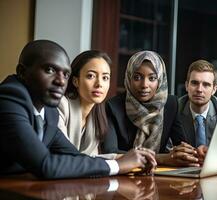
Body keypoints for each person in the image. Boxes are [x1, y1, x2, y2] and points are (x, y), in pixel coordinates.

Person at [0, 40, 156, 179]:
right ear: (22, 72)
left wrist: (129, 161)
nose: (61, 81)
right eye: (49, 70)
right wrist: (118, 165)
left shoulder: (49, 112)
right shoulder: (9, 98)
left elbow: (77, 157)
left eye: (66, 74)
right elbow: (46, 165)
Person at [102, 50, 199, 166]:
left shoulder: (170, 103)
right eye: (137, 77)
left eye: (152, 78)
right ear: (128, 78)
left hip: (160, 175)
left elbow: (181, 144)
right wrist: (161, 158)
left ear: (160, 80)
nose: (144, 85)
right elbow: (110, 152)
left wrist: (195, 153)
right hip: (125, 174)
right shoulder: (113, 106)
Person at [57, 50, 118, 159]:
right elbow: (63, 155)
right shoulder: (61, 105)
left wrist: (126, 158)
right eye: (91, 76)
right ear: (76, 81)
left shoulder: (96, 115)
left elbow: (92, 158)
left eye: (105, 78)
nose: (99, 84)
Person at [178, 59, 217, 148]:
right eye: (194, 83)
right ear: (186, 86)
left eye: (206, 85)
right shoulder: (175, 109)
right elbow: (168, 148)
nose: (199, 89)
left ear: (214, 89)